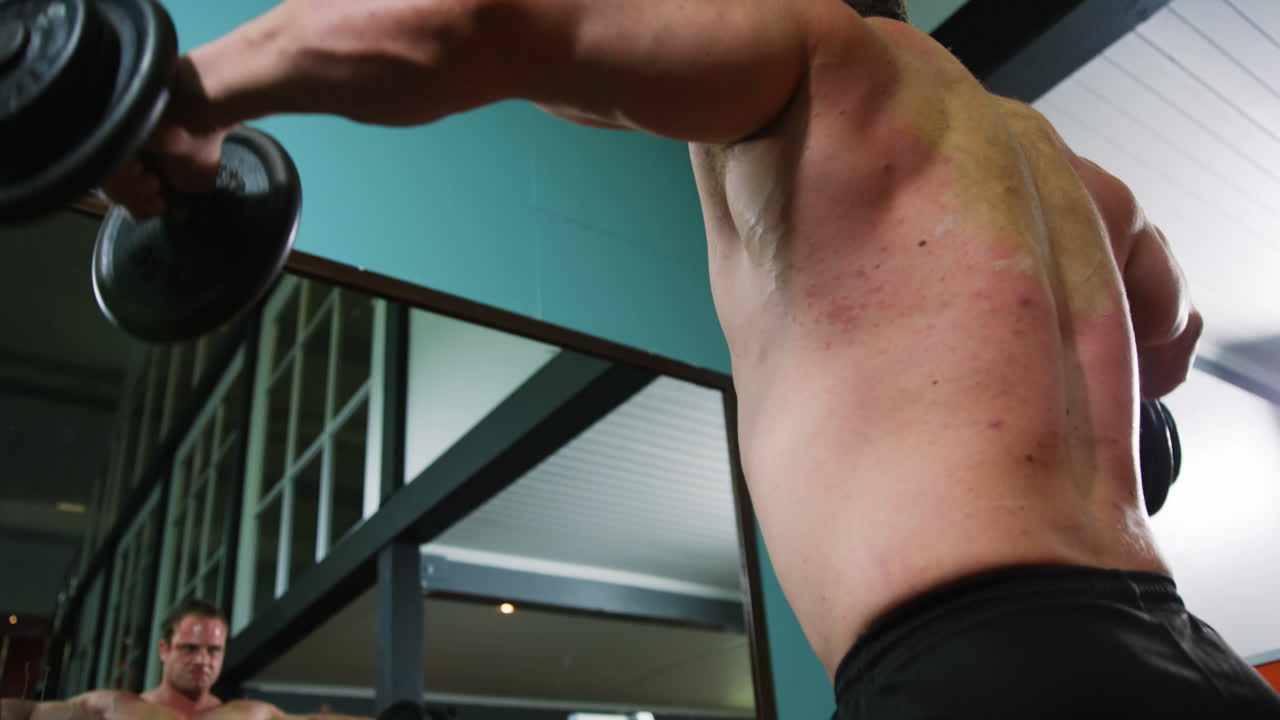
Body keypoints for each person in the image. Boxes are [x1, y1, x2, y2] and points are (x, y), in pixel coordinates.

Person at [102, 0, 1280, 716]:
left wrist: (183, 95)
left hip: (981, 669)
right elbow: (1163, 355)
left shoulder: (812, 53)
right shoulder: (1078, 179)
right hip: (1191, 657)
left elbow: (468, 25)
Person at [0, 599, 366, 720]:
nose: (202, 660)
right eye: (189, 649)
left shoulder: (250, 715)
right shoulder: (117, 708)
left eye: (213, 651)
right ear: (165, 650)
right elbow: (29, 713)